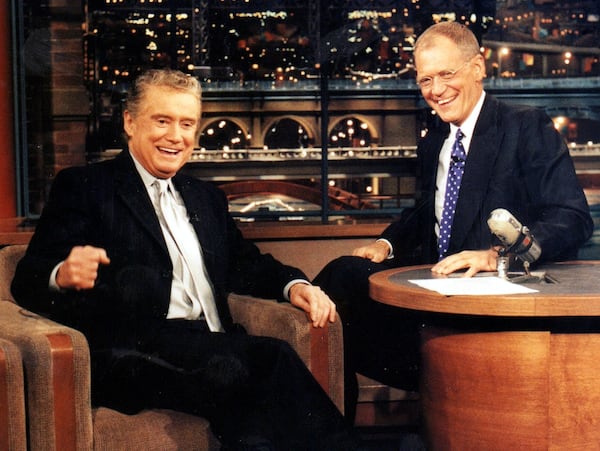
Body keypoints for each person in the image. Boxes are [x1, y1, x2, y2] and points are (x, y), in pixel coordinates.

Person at [11, 69, 360, 451]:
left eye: (187, 124)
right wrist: (61, 274)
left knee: (250, 410)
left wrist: (296, 285)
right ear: (130, 121)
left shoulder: (204, 197)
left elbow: (246, 262)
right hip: (139, 352)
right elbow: (26, 279)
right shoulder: (86, 186)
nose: (175, 136)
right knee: (268, 360)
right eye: (162, 121)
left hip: (213, 348)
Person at [314, 21, 594, 419]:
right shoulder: (435, 138)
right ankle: (334, 432)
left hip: (493, 304)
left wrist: (494, 254)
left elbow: (573, 217)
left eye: (447, 74)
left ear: (478, 68)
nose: (436, 90)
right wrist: (386, 244)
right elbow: (428, 207)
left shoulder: (524, 126)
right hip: (434, 297)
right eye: (425, 79)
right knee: (340, 281)